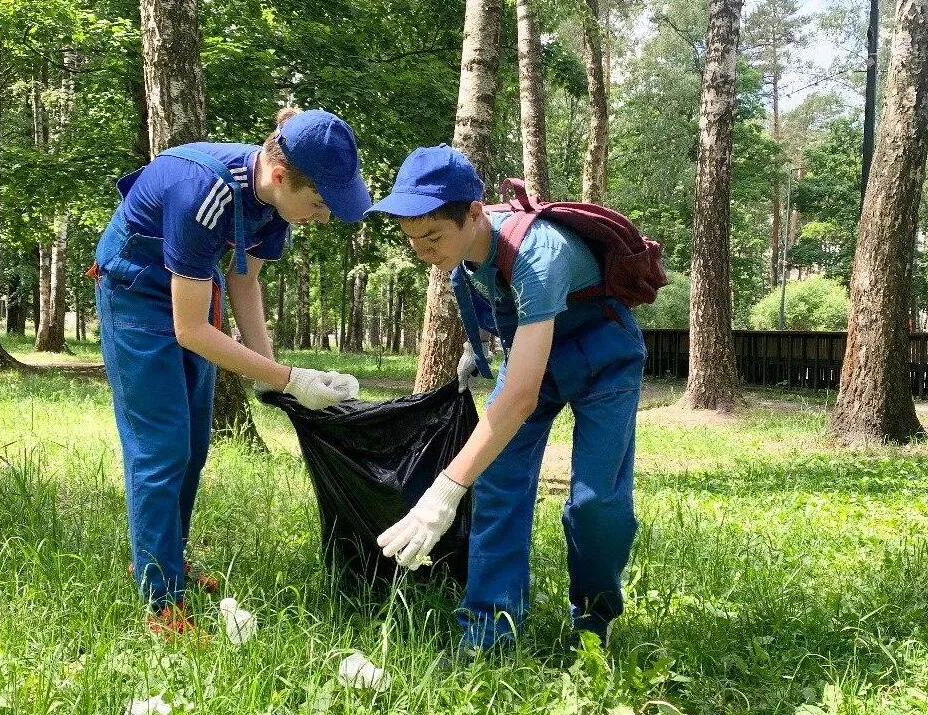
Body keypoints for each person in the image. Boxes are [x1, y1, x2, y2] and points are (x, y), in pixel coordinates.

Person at [92, 108, 367, 634]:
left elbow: (244, 281)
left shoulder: (274, 206)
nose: (324, 217)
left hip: (192, 288)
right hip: (136, 293)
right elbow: (191, 330)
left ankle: (165, 558)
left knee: (194, 443)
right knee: (161, 448)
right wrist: (290, 378)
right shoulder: (206, 193)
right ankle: (160, 597)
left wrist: (271, 374)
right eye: (319, 204)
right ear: (280, 175)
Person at [367, 145, 646, 655]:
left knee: (596, 503)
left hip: (604, 357)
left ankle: (594, 620)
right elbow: (507, 322)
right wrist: (476, 349)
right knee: (497, 484)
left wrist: (445, 491)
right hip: (531, 358)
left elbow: (518, 398)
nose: (423, 252)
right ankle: (489, 631)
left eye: (433, 237)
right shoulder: (463, 257)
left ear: (474, 213)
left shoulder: (538, 255)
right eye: (412, 240)